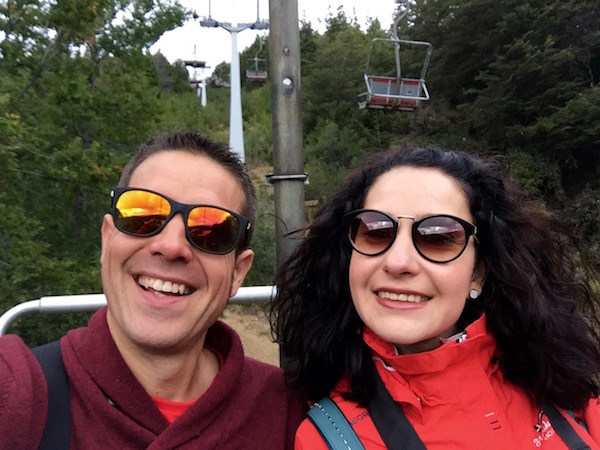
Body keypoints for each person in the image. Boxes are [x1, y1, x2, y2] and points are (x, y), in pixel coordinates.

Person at [270, 146, 600, 449]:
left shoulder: (568, 394)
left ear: (478, 272)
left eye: (438, 237)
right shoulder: (329, 439)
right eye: (376, 231)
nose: (398, 262)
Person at [0, 131, 307, 449]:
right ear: (107, 239)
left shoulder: (289, 417)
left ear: (238, 272)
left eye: (210, 230)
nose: (171, 246)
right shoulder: (17, 391)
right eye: (143, 215)